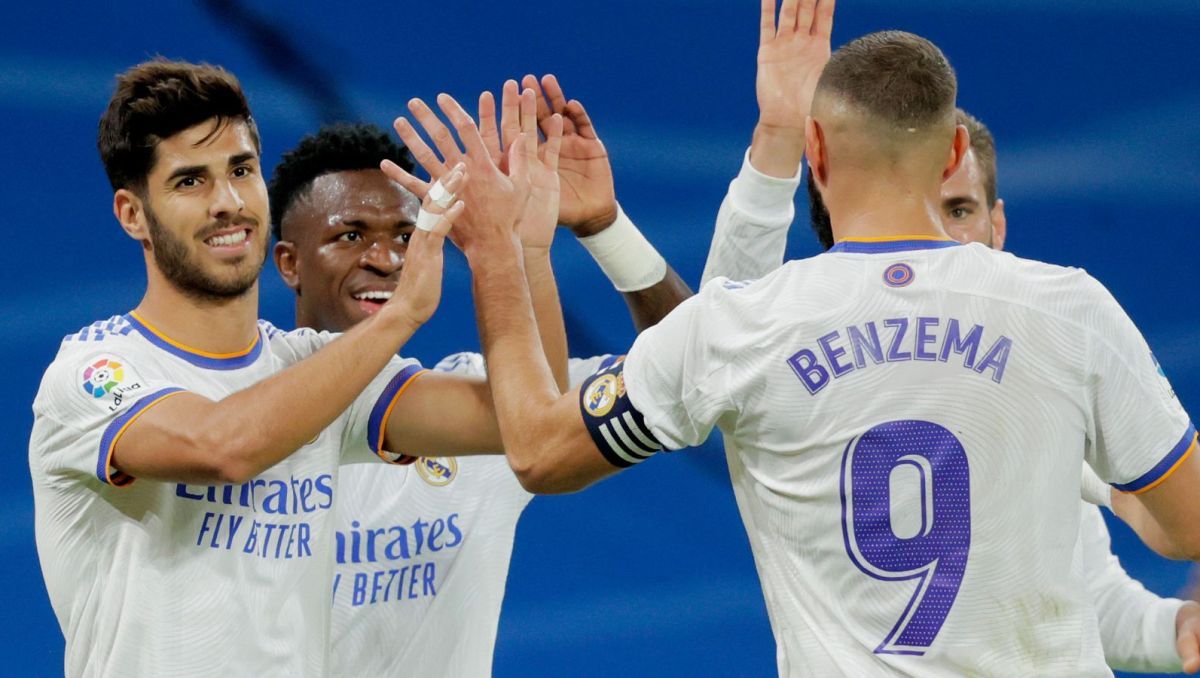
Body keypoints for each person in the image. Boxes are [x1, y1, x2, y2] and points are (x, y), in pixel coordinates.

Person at [397, 15, 1200, 678]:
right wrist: (1108, 485)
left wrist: (501, 251)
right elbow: (1186, 529)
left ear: (817, 152)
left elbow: (541, 450)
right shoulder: (1071, 310)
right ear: (954, 154)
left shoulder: (748, 327)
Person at [701, 5, 1200, 672]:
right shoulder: (797, 357)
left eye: (958, 210)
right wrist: (776, 141)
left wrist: (1175, 626)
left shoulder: (1047, 356)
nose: (928, 230)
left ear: (998, 226)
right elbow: (715, 338)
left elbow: (1085, 603)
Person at [28, 58, 514, 676]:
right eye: (189, 182)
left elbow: (517, 420)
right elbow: (222, 447)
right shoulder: (94, 372)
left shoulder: (313, 365)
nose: (228, 203)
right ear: (132, 214)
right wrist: (402, 314)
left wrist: (511, 249)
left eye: (241, 170)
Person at [268, 81, 692, 676]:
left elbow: (695, 370)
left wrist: (593, 229)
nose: (386, 260)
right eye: (350, 235)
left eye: (407, 236)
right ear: (289, 263)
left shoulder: (492, 404)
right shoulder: (238, 404)